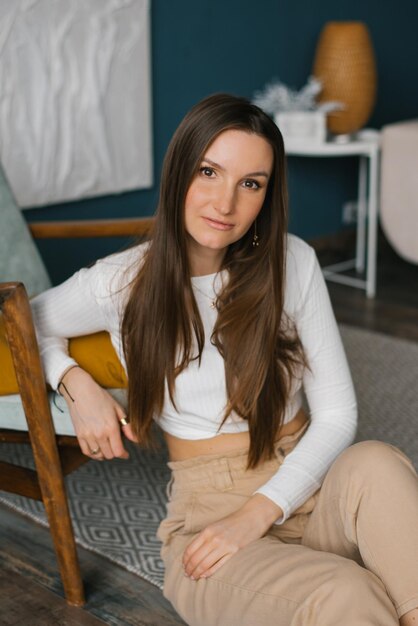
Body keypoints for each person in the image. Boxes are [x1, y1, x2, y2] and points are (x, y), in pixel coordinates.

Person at [31, 93, 418, 626]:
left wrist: (261, 511)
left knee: (379, 462)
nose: (225, 202)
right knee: (345, 592)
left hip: (312, 481)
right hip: (210, 519)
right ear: (179, 172)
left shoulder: (293, 260)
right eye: (209, 171)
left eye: (250, 183)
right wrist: (73, 382)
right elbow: (21, 321)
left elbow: (337, 416)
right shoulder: (120, 280)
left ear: (267, 195)